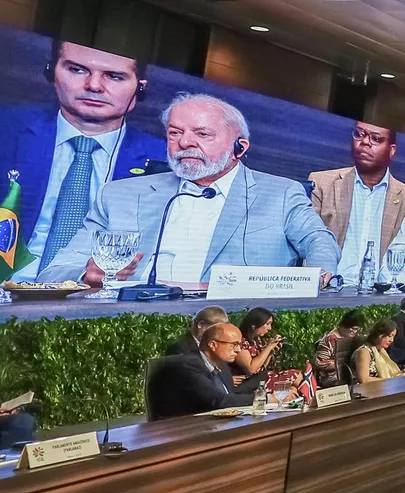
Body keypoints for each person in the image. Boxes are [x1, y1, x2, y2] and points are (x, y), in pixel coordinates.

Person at [41, 93, 341, 284]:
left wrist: (319, 276)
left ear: (239, 147)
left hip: (228, 326)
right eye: (175, 133)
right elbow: (54, 271)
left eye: (201, 133)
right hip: (128, 320)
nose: (184, 143)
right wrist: (86, 273)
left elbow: (319, 241)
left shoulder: (281, 193)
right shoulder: (119, 194)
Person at [0, 41, 169, 282]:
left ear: (139, 90)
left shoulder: (165, 159)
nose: (94, 86)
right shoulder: (6, 130)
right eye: (77, 70)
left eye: (114, 76)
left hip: (100, 300)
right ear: (51, 72)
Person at [308, 121, 405, 289]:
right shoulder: (322, 183)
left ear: (392, 150)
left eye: (376, 138)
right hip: (329, 289)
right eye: (359, 134)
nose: (365, 142)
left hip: (380, 295)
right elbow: (308, 239)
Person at [145, 322, 259, 420]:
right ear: (213, 345)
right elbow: (218, 401)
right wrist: (260, 398)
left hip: (215, 424)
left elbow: (229, 396)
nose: (238, 350)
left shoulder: (222, 365)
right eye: (234, 345)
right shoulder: (188, 365)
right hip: (181, 429)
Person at [312, 310, 363, 387]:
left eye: (356, 329)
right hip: (331, 378)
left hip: (347, 375)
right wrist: (340, 364)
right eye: (353, 328)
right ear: (345, 325)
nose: (354, 331)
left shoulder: (349, 338)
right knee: (359, 381)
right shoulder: (330, 339)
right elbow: (319, 363)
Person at [232, 307, 284, 378]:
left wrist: (270, 352)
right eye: (267, 324)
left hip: (259, 378)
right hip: (249, 382)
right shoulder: (241, 342)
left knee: (295, 383)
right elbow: (251, 369)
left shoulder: (257, 340)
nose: (270, 328)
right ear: (254, 325)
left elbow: (262, 367)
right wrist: (268, 347)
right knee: (296, 377)